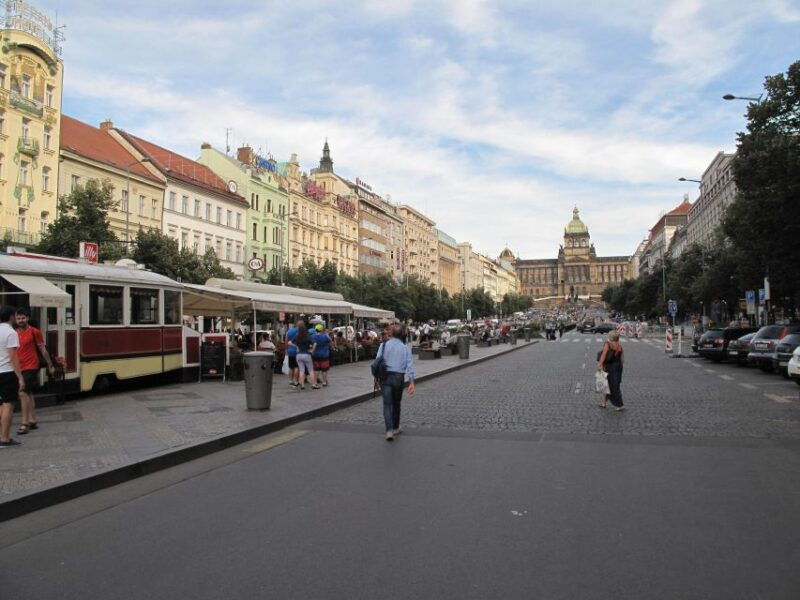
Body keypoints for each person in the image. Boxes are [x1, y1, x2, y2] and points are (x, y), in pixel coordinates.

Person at [15, 308, 54, 435]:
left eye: (23, 318)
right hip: (19, 367)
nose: (20, 320)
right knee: (28, 392)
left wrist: (50, 365)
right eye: (18, 318)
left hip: (31, 365)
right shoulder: (14, 333)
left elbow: (43, 349)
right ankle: (33, 420)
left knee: (22, 392)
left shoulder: (35, 332)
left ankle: (24, 422)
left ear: (27, 318)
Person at [374, 324, 416, 442]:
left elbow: (377, 362)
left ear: (391, 334)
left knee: (387, 404)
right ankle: (396, 427)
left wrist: (376, 379)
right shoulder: (405, 348)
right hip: (398, 377)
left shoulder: (383, 345)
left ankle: (389, 430)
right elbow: (409, 366)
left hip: (385, 377)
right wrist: (412, 382)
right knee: (396, 403)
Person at [0, 306, 24, 448]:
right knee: (8, 405)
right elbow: (13, 357)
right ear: (11, 317)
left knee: (1, 404)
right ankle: (5, 438)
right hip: (7, 372)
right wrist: (19, 376)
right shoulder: (11, 332)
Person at [597, 330, 625, 411]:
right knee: (610, 384)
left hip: (610, 366)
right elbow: (622, 359)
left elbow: (604, 354)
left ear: (611, 337)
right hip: (618, 366)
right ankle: (604, 403)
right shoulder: (619, 346)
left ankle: (620, 405)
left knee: (612, 386)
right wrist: (620, 368)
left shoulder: (608, 344)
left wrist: (600, 364)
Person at [289, 322, 317, 390]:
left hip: (298, 355)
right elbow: (315, 343)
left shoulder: (297, 335)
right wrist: (312, 350)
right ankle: (313, 384)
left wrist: (296, 347)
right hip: (307, 354)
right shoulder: (307, 335)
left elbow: (289, 343)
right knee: (310, 370)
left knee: (301, 370)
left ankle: (302, 385)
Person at [285, 319, 301, 387]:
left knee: (291, 367)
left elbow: (286, 341)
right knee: (297, 366)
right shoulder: (300, 331)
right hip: (298, 351)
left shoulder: (289, 331)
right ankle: (296, 381)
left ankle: (290, 380)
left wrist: (286, 349)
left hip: (290, 351)